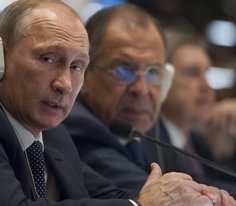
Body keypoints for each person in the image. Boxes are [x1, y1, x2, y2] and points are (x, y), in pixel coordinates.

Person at [0, 0, 230, 206]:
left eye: (77, 67)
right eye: (48, 59)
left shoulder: (52, 135)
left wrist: (198, 197)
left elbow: (111, 195)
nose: (64, 83)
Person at [63, 2, 236, 200]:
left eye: (153, 72)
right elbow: (164, 198)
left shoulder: (149, 130)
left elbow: (196, 181)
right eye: (123, 69)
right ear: (85, 72)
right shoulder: (81, 128)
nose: (142, 89)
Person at [153, 29, 236, 193]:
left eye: (207, 73)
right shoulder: (150, 141)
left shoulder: (195, 140)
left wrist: (229, 143)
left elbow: (222, 182)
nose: (207, 86)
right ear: (162, 78)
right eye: (192, 73)